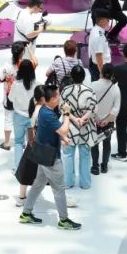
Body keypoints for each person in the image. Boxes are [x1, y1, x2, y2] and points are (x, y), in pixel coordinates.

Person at [18, 85, 81, 230]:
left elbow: (51, 131)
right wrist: (67, 114)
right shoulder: (47, 114)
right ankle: (64, 220)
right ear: (52, 99)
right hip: (50, 158)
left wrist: (63, 138)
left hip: (42, 155)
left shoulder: (45, 110)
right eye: (58, 95)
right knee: (59, 190)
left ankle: (26, 213)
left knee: (37, 185)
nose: (60, 97)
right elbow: (63, 130)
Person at [60, 65, 96, 191]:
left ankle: (68, 182)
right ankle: (85, 183)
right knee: (85, 155)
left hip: (69, 126)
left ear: (72, 76)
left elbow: (62, 108)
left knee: (68, 155)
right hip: (85, 127)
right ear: (84, 77)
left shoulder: (65, 90)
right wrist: (82, 118)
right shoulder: (89, 91)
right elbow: (93, 109)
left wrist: (75, 119)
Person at [89, 63, 120, 174]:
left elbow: (88, 104)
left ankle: (95, 166)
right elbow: (116, 108)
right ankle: (104, 166)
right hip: (108, 122)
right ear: (112, 75)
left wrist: (95, 117)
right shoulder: (115, 89)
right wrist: (106, 119)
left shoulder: (92, 85)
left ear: (101, 72)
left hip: (94, 120)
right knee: (107, 143)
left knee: (94, 143)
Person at [87, 13, 112, 82]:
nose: (109, 22)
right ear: (101, 21)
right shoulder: (99, 35)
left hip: (97, 66)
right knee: (101, 87)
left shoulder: (95, 30)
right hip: (100, 68)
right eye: (107, 20)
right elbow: (98, 55)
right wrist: (102, 73)